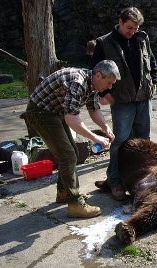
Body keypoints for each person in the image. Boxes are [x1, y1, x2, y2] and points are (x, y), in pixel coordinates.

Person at [23, 60, 121, 218]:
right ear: (98, 75)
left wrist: (105, 128)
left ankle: (63, 193)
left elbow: (93, 110)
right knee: (67, 155)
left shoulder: (92, 84)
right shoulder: (78, 82)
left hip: (55, 112)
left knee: (72, 153)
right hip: (41, 113)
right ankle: (74, 203)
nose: (110, 87)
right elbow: (72, 119)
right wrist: (96, 138)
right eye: (109, 82)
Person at [91, 6, 157, 201]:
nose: (133, 32)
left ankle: (141, 178)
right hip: (122, 101)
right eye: (129, 27)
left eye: (136, 28)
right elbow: (96, 71)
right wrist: (105, 92)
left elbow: (151, 62)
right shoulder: (104, 43)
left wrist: (153, 81)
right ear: (119, 22)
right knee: (120, 141)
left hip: (144, 97)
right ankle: (114, 180)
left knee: (144, 141)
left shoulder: (142, 38)